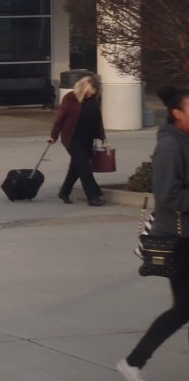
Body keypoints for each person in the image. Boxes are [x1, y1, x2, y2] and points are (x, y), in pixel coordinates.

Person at [116, 85, 189, 381]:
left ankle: (134, 361)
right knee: (184, 308)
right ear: (177, 114)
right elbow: (167, 194)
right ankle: (133, 361)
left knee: (184, 308)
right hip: (180, 239)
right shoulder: (171, 146)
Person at [48, 74, 106, 206]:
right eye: (89, 93)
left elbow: (98, 118)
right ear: (82, 89)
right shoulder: (70, 98)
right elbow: (60, 118)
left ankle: (64, 192)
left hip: (88, 138)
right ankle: (93, 196)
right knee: (84, 167)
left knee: (76, 167)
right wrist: (53, 135)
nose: (90, 96)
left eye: (93, 93)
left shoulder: (96, 98)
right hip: (72, 137)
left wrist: (102, 136)